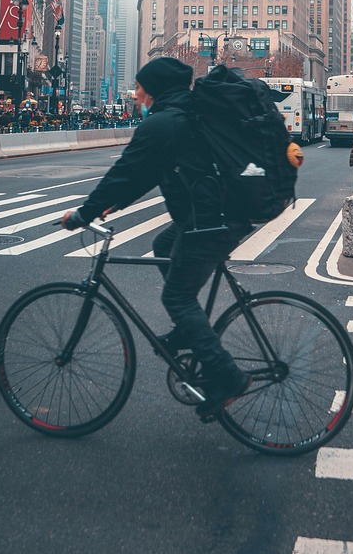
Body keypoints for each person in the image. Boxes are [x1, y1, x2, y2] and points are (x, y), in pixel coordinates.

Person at [60, 57, 252, 420]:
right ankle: (189, 331)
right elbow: (146, 175)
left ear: (154, 90)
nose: (135, 94)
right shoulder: (182, 115)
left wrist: (83, 214)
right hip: (217, 215)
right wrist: (113, 205)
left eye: (139, 87)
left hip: (212, 220)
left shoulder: (164, 123)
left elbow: (124, 171)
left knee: (177, 296)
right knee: (163, 247)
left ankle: (228, 377)